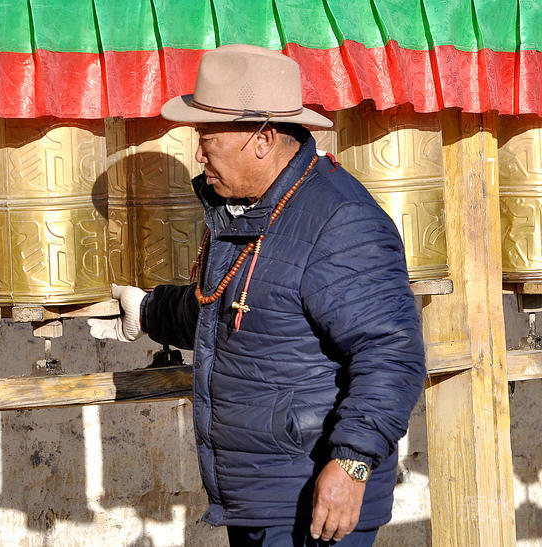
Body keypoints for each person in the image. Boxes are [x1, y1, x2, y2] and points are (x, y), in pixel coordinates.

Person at [88, 44, 425, 547]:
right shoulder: (248, 210)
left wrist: (352, 462)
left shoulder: (338, 221)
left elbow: (391, 354)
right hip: (261, 497)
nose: (198, 154)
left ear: (263, 139)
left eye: (207, 138)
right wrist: (149, 311)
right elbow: (229, 309)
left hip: (314, 499)